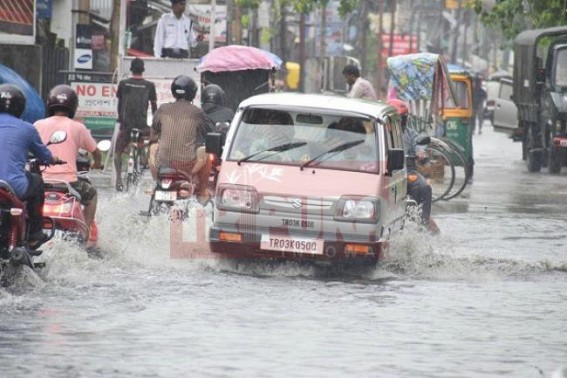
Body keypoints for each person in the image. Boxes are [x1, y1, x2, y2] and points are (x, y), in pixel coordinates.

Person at [35, 85, 103, 246]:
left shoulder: (38, 124)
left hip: (40, 181)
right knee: (92, 195)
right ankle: (85, 234)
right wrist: (97, 164)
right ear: (73, 106)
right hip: (69, 183)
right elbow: (96, 152)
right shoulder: (78, 127)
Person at [0, 83, 61, 248]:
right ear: (20, 107)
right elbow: (45, 156)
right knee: (37, 181)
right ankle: (35, 232)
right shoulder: (27, 129)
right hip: (14, 186)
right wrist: (54, 159)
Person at [149, 75, 212, 204]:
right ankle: (203, 191)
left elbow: (153, 136)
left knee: (153, 147)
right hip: (187, 166)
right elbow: (210, 134)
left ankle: (157, 183)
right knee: (206, 151)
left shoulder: (162, 109)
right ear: (193, 94)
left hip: (162, 166)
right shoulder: (197, 113)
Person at [387, 98, 438, 234]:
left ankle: (422, 222)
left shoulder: (410, 133)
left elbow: (419, 144)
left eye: (403, 119)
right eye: (398, 119)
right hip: (386, 172)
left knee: (424, 187)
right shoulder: (381, 133)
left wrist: (421, 152)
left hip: (407, 172)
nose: (401, 123)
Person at [115, 57, 157, 191]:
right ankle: (143, 160)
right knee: (150, 142)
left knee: (118, 152)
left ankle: (118, 179)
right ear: (142, 70)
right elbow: (154, 106)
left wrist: (121, 120)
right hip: (142, 126)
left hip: (126, 126)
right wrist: (155, 124)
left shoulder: (124, 84)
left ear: (131, 69)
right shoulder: (149, 85)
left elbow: (120, 104)